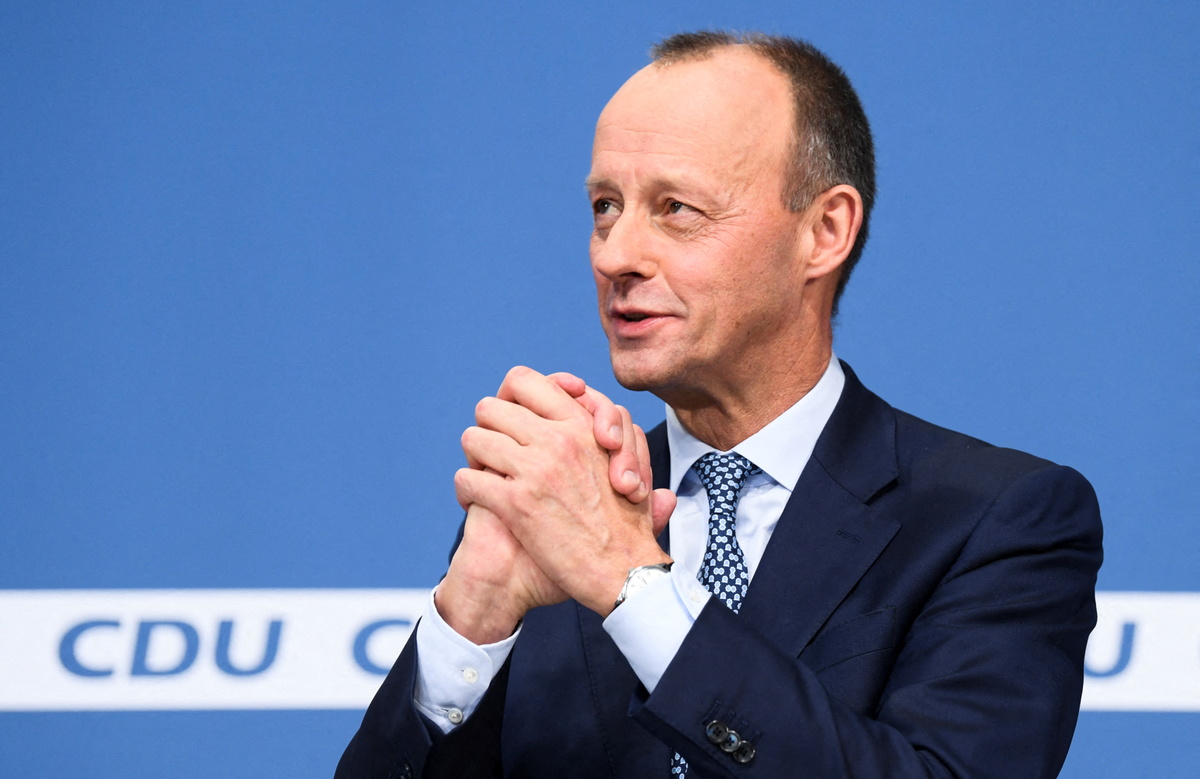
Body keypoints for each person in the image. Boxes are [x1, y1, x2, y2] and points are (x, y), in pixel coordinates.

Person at [337, 31, 1102, 778]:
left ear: (824, 230)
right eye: (605, 206)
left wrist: (632, 585)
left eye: (676, 207)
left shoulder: (998, 521)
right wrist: (468, 622)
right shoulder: (552, 515)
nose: (615, 254)